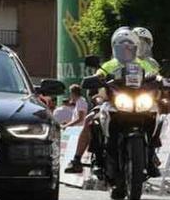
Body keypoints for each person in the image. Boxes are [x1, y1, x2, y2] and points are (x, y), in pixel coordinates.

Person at [64, 27, 161, 176]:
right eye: (122, 45)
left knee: (156, 117)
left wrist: (162, 81)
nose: (126, 48)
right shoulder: (108, 65)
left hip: (138, 103)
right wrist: (96, 94)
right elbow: (95, 86)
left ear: (136, 47)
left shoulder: (144, 64)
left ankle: (151, 155)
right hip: (112, 103)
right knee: (90, 120)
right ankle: (77, 160)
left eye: (130, 45)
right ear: (115, 47)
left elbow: (155, 76)